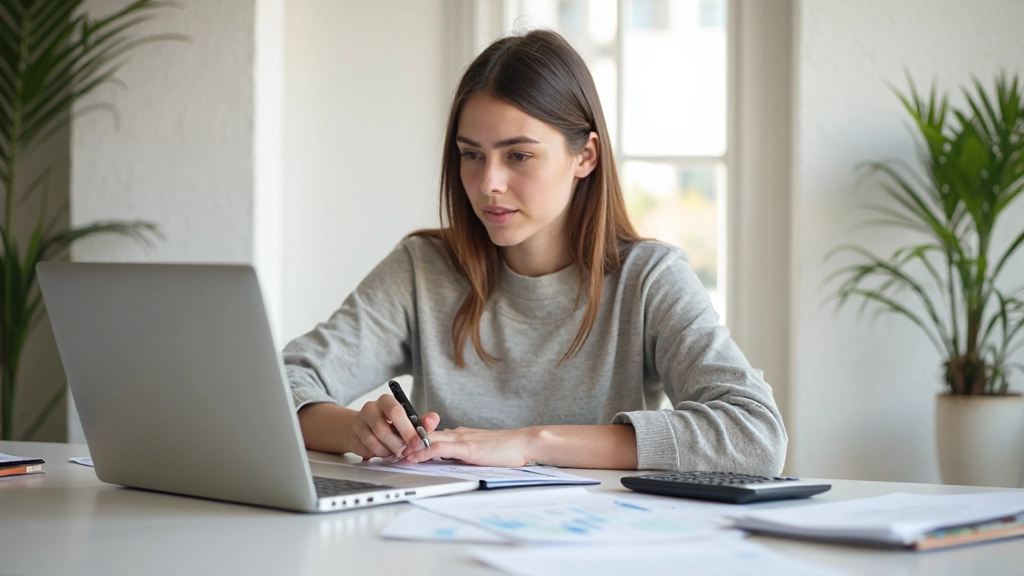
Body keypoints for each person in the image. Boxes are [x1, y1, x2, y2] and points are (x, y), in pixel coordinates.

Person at [284, 29, 787, 475]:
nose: (488, 184)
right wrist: (354, 431)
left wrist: (529, 443)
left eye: (518, 155)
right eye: (471, 156)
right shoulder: (424, 269)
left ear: (584, 156)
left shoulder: (648, 279)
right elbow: (278, 384)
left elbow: (755, 434)